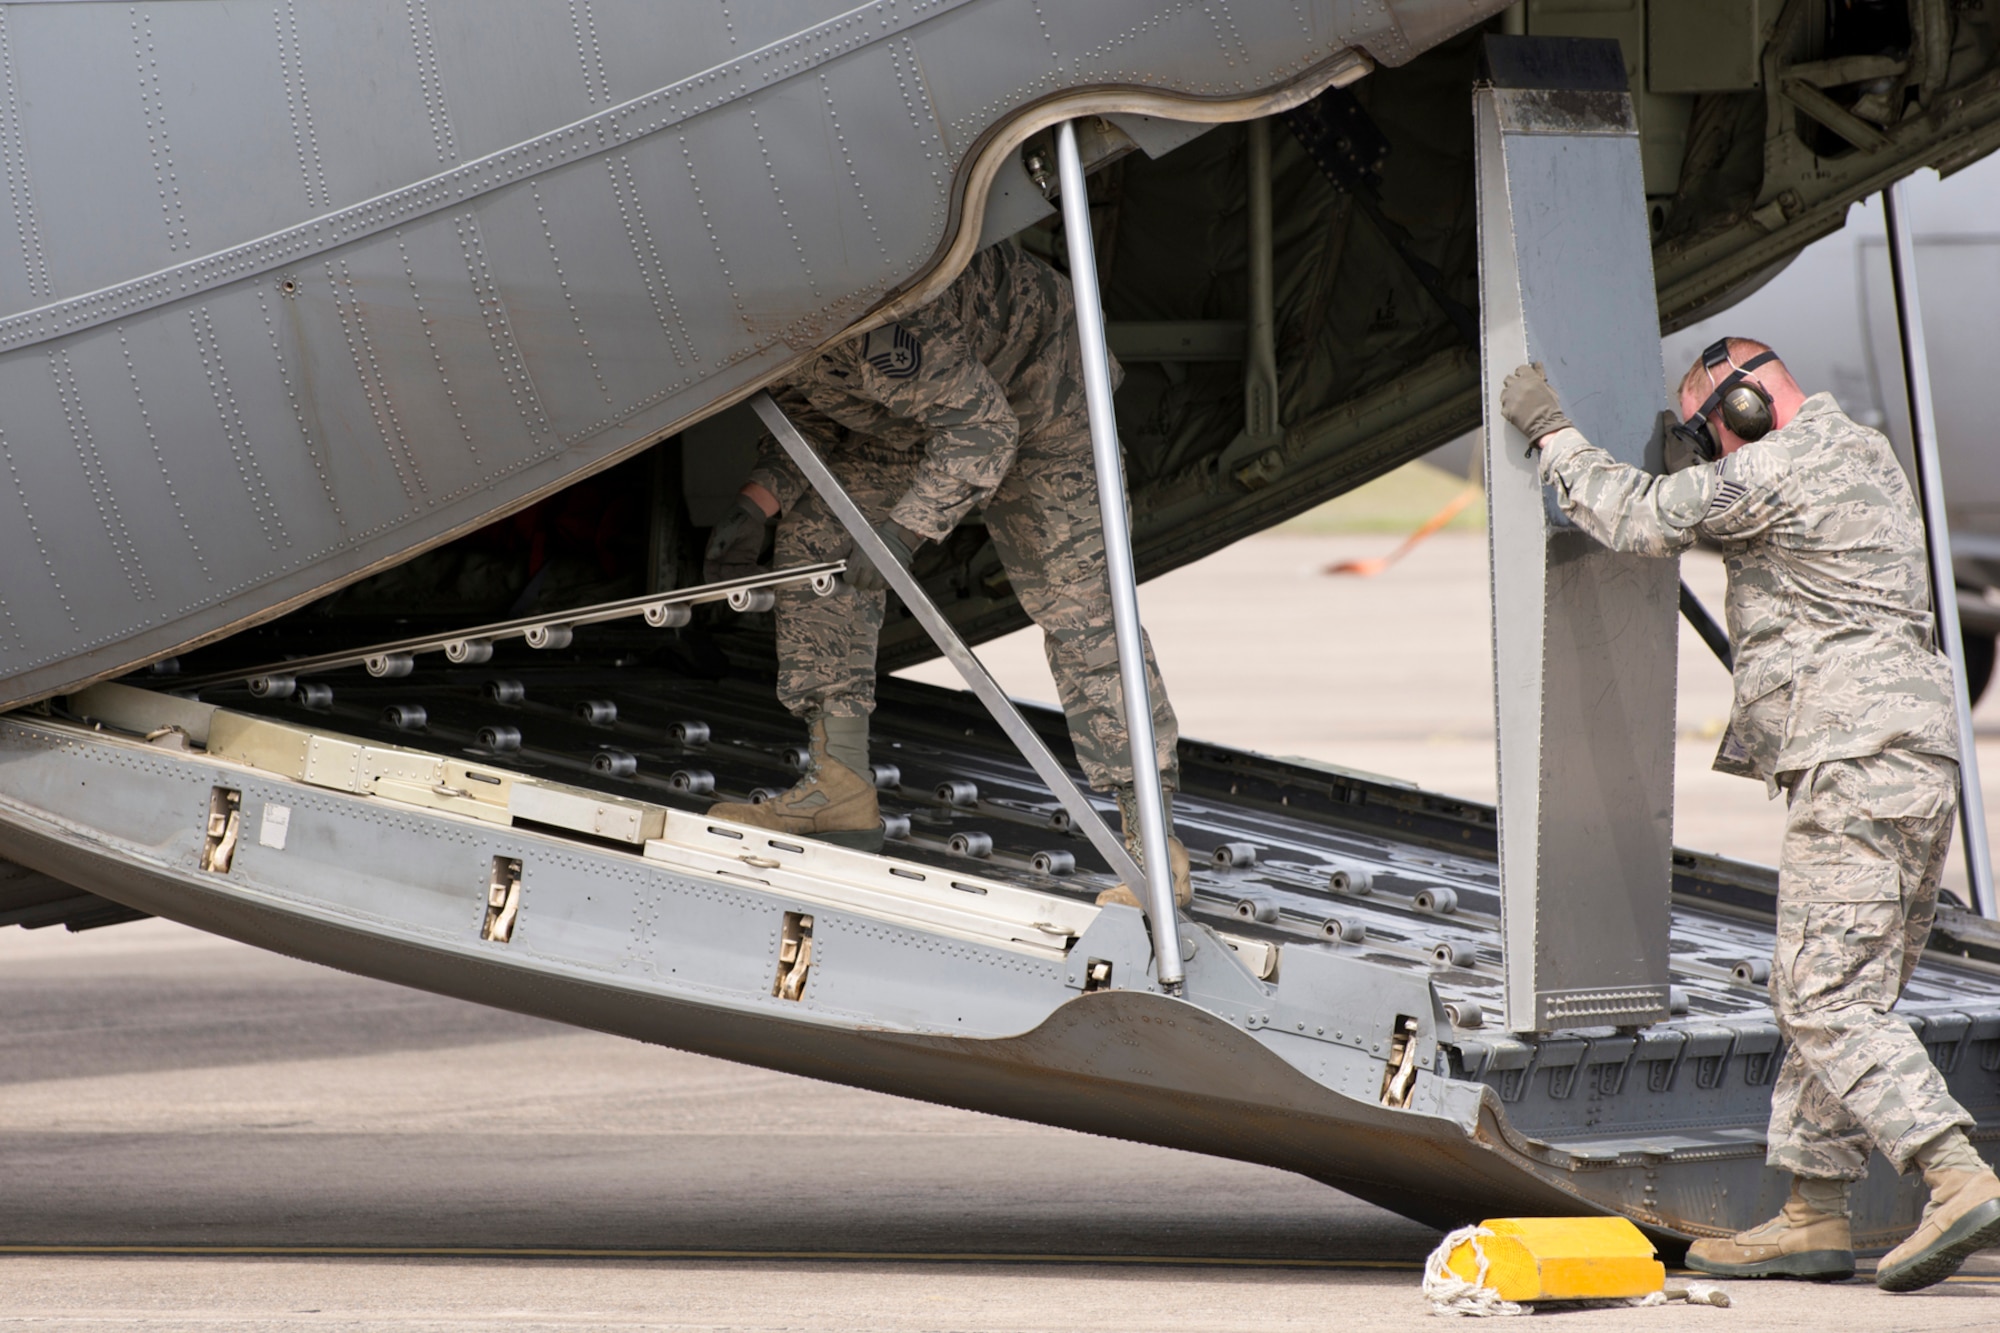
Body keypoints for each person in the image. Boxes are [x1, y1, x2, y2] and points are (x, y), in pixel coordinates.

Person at [1501, 342, 2000, 1291]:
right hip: (1916, 757)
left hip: (1851, 759)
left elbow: (1635, 517)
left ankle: (1951, 1170)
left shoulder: (1776, 465)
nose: (1708, 455)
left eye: (1704, 435)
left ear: (1743, 406)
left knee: (1823, 999)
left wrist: (1552, 432)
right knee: (1846, 991)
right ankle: (1812, 1214)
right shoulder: (1863, 453)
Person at [700, 239, 1189, 907]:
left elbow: (986, 431)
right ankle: (839, 788)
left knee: (1080, 608)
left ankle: (1154, 850)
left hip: (1049, 395)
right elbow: (819, 407)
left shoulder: (865, 316)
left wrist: (900, 536)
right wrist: (756, 506)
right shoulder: (764, 322)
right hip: (934, 416)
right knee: (818, 540)